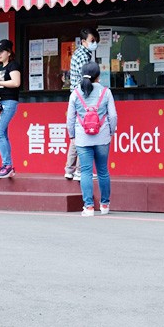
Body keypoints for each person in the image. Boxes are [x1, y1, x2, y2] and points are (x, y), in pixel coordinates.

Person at [66, 61, 117, 216]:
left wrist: (72, 135)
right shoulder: (106, 92)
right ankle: (105, 205)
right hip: (102, 138)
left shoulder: (75, 93)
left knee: (86, 172)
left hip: (82, 138)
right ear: (98, 76)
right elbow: (113, 116)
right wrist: (111, 132)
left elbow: (70, 118)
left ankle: (88, 207)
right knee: (103, 171)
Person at [64, 27, 99, 180]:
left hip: (74, 96)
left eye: (96, 40)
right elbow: (85, 80)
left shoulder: (79, 53)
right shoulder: (84, 56)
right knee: (84, 133)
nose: (95, 43)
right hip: (82, 97)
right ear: (83, 41)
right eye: (92, 40)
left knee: (76, 136)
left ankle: (69, 170)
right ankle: (80, 170)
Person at [0, 39, 21, 178]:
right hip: (3, 104)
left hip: (9, 103)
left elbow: (16, 82)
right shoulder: (3, 68)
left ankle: (7, 165)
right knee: (2, 134)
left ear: (9, 52)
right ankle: (7, 166)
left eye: (1, 52)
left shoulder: (13, 65)